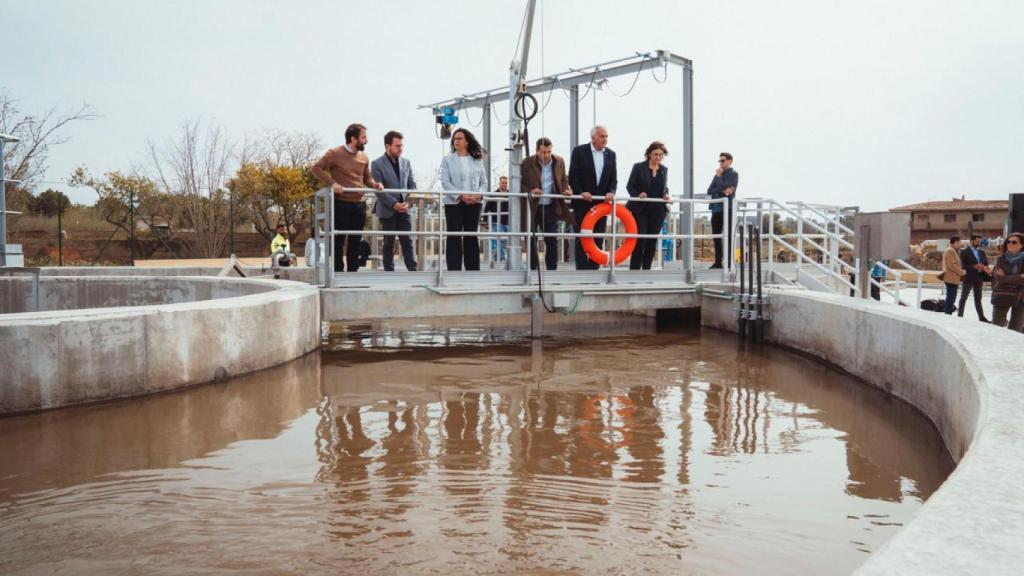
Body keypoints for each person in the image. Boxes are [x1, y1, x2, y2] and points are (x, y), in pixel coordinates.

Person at [311, 123, 383, 273]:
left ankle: (352, 272)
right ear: (353, 139)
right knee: (338, 240)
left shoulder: (364, 157)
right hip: (341, 203)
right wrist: (333, 183)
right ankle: (338, 272)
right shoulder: (334, 153)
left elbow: (367, 178)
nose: (366, 140)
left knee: (356, 240)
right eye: (363, 137)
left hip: (359, 204)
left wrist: (375, 184)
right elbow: (316, 168)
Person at [520, 137, 575, 271]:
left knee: (551, 240)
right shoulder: (527, 162)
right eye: (543, 152)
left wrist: (566, 189)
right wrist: (531, 191)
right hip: (532, 207)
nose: (546, 155)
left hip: (550, 206)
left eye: (549, 152)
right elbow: (519, 184)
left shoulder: (559, 161)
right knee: (531, 239)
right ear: (536, 151)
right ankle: (533, 269)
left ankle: (552, 270)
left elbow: (563, 179)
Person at [568, 125, 617, 270]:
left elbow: (613, 179)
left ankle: (594, 270)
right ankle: (582, 271)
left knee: (598, 238)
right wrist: (581, 192)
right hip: (582, 203)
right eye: (602, 136)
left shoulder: (611, 154)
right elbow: (573, 176)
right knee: (582, 238)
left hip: (601, 204)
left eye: (606, 136)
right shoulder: (579, 151)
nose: (605, 139)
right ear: (593, 137)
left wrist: (611, 192)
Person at [439, 128, 488, 271]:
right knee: (454, 236)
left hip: (474, 203)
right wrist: (461, 195)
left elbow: (484, 183)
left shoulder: (477, 160)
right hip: (454, 203)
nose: (456, 141)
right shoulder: (447, 160)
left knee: (471, 236)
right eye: (454, 139)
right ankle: (454, 270)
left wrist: (479, 195)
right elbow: (445, 182)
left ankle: (473, 270)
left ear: (467, 141)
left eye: (459, 138)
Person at [370, 130, 418, 272]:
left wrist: (408, 202)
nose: (400, 148)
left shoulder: (406, 162)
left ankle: (413, 272)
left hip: (404, 208)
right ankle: (389, 274)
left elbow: (412, 185)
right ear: (388, 146)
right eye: (397, 146)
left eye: (402, 145)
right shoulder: (376, 164)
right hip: (387, 209)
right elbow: (378, 190)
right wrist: (394, 204)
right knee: (388, 243)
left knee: (407, 241)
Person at [626, 141, 670, 270]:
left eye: (660, 155)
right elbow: (630, 186)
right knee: (640, 240)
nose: (658, 157)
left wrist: (665, 194)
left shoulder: (664, 169)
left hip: (658, 210)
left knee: (652, 241)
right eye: (655, 154)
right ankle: (634, 270)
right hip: (640, 209)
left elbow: (663, 188)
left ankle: (646, 270)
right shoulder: (638, 167)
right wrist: (638, 194)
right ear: (649, 154)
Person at [707, 152, 738, 269]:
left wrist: (719, 178)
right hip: (716, 209)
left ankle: (729, 262)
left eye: (723, 160)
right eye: (719, 160)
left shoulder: (733, 174)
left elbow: (723, 188)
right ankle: (718, 262)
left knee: (729, 236)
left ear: (730, 161)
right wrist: (722, 190)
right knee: (716, 236)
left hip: (728, 209)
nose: (720, 163)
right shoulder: (717, 175)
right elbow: (709, 190)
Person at [990, 232, 1024, 332]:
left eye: (1014, 242)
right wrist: (1020, 276)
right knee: (997, 327)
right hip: (1003, 294)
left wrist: (1006, 278)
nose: (1010, 244)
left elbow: (1004, 278)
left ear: (1022, 245)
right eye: (1008, 242)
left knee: (1016, 329)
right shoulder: (1000, 259)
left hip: (1021, 296)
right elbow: (1000, 279)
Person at [958, 234, 991, 322]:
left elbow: (986, 264)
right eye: (977, 241)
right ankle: (959, 316)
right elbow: (962, 266)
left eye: (980, 241)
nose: (979, 243)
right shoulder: (964, 252)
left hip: (979, 278)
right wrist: (974, 266)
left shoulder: (982, 252)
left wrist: (985, 268)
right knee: (964, 297)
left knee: (978, 298)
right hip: (968, 278)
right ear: (971, 241)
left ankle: (981, 317)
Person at [484, 176, 510, 261]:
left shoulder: (511, 194)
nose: (504, 184)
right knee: (499, 240)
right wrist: (485, 221)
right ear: (499, 183)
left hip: (508, 221)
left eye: (506, 183)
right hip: (496, 221)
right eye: (502, 183)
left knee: (511, 240)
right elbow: (487, 208)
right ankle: (500, 259)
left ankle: (509, 258)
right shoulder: (493, 194)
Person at [938, 235, 966, 314]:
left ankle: (948, 313)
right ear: (956, 242)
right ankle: (948, 314)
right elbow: (952, 265)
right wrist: (961, 272)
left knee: (951, 298)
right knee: (951, 298)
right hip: (951, 278)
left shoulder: (952, 250)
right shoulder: (950, 251)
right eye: (960, 242)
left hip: (952, 278)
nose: (961, 244)